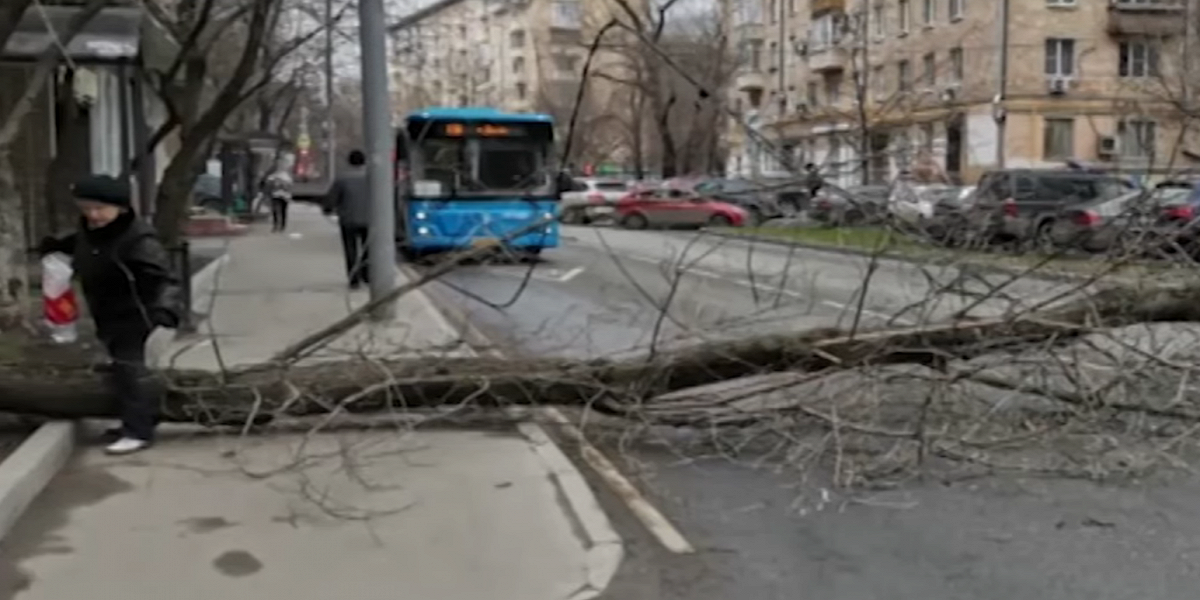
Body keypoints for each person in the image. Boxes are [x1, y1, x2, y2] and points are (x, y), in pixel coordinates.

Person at [38, 175, 182, 455]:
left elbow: (166, 278)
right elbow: (81, 245)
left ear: (121, 208)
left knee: (129, 371)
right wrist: (56, 247)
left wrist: (165, 311)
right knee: (120, 369)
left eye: (100, 208)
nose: (93, 215)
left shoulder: (138, 238)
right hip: (107, 313)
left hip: (136, 314)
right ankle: (137, 420)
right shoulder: (89, 231)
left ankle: (139, 432)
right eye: (87, 208)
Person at [325, 149, 371, 289]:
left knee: (350, 249)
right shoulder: (372, 178)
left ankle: (353, 279)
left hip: (348, 219)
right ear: (365, 161)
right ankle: (366, 276)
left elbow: (332, 199)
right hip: (369, 219)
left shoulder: (342, 178)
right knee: (367, 249)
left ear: (349, 162)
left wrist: (327, 209)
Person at [266, 163, 294, 232]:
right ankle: (277, 225)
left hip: (284, 196)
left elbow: (289, 187)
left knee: (282, 211)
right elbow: (269, 185)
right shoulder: (273, 177)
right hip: (276, 195)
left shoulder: (286, 177)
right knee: (275, 211)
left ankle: (281, 225)